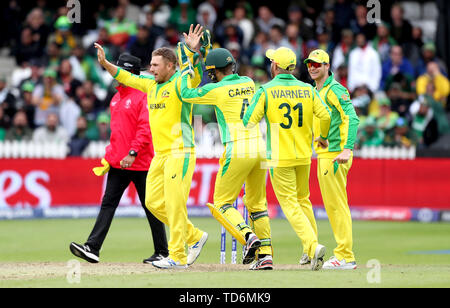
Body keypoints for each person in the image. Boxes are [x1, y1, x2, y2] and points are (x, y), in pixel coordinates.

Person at [93, 25, 208, 269]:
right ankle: (195, 236)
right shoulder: (150, 85)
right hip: (161, 156)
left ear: (170, 66)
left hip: (181, 152)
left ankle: (177, 256)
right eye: (151, 65)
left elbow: (194, 75)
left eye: (155, 65)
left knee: (175, 204)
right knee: (154, 203)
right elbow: (127, 77)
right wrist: (105, 63)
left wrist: (192, 52)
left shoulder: (179, 83)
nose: (151, 69)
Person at [70, 53, 169, 264]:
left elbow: (145, 130)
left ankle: (163, 251)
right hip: (119, 163)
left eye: (120, 71)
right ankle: (93, 248)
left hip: (140, 162)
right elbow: (118, 134)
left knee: (151, 207)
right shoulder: (116, 98)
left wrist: (133, 153)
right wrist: (110, 157)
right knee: (108, 204)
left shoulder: (144, 95)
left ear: (130, 73)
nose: (116, 75)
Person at [180, 47, 273, 270]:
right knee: (257, 205)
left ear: (212, 73)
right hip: (259, 147)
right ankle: (266, 257)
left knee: (221, 203)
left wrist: (186, 67)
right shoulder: (249, 82)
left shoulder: (216, 88)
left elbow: (186, 94)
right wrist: (209, 53)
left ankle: (248, 237)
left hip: (237, 148)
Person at [243, 47, 331, 271]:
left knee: (290, 204)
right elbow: (326, 115)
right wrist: (322, 136)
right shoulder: (307, 89)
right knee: (303, 200)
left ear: (275, 65)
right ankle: (308, 250)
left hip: (280, 157)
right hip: (303, 155)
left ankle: (312, 247)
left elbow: (248, 122)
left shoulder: (266, 90)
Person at [304, 49, 360, 269]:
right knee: (333, 206)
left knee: (337, 206)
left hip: (335, 155)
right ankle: (344, 254)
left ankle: (345, 256)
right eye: (309, 64)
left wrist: (347, 149)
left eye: (317, 64)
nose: (312, 68)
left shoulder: (335, 90)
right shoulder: (314, 91)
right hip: (325, 153)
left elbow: (352, 118)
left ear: (327, 66)